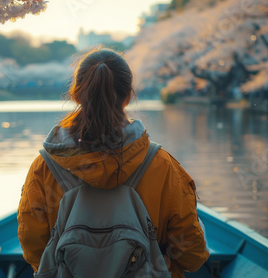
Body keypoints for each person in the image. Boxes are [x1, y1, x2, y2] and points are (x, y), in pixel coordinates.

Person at [17, 47, 209, 277]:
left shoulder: (45, 167)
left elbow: (33, 247)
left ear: (77, 94)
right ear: (128, 95)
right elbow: (192, 254)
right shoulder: (162, 165)